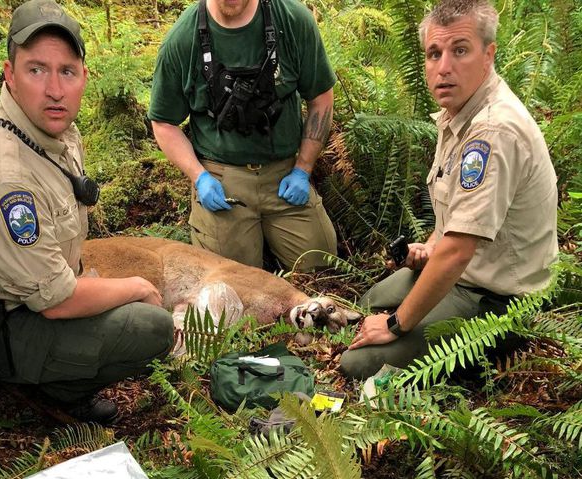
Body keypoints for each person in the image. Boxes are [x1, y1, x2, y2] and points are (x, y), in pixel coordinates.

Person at [0, 0, 173, 425]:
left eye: (67, 72)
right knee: (153, 327)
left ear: (83, 78)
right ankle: (49, 391)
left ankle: (50, 375)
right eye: (37, 69)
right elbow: (55, 301)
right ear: (10, 75)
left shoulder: (50, 132)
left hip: (22, 301)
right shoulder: (1, 172)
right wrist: (136, 286)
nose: (55, 89)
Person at [340, 0, 558, 379]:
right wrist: (429, 247)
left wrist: (394, 325)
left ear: (488, 55)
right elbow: (452, 230)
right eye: (434, 53)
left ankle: (502, 349)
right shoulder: (460, 111)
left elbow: (458, 251)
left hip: (499, 301)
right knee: (371, 301)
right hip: (466, 271)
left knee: (358, 363)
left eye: (460, 50)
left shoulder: (492, 131)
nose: (444, 68)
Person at [148, 0, 337, 271]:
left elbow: (321, 97)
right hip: (223, 181)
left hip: (284, 174)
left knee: (324, 267)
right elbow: (164, 123)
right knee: (231, 287)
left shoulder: (293, 20)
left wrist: (303, 169)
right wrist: (199, 177)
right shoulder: (182, 39)